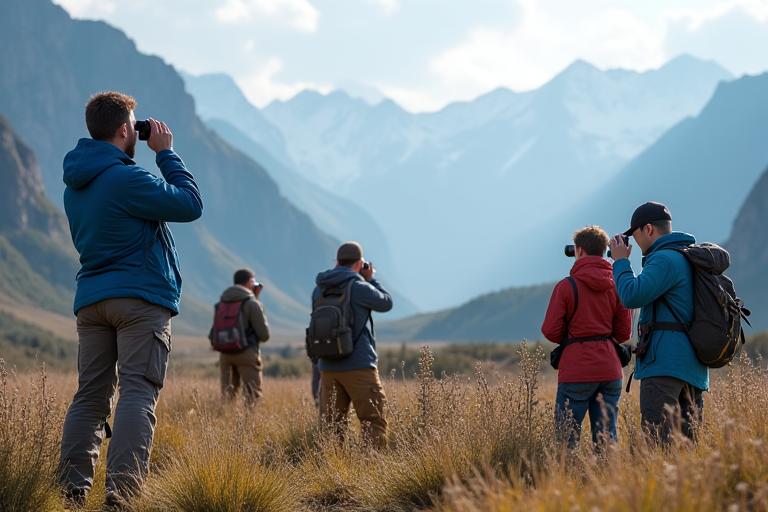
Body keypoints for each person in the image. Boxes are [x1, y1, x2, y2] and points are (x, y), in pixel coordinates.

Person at [58, 92, 203, 508]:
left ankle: (71, 492)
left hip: (92, 301)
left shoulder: (76, 186)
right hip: (139, 300)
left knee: (90, 397)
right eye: (135, 126)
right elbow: (190, 205)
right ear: (125, 130)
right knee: (137, 392)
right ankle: (121, 497)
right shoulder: (128, 179)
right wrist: (166, 154)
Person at [609, 201, 707, 445]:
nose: (636, 242)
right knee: (688, 448)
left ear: (649, 229)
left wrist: (620, 262)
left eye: (636, 234)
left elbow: (632, 295)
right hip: (692, 366)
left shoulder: (664, 259)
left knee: (657, 446)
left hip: (664, 365)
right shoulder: (686, 256)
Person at [542, 226, 632, 448]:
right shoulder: (617, 285)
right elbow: (623, 333)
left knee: (566, 442)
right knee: (606, 439)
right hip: (610, 370)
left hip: (576, 371)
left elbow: (550, 331)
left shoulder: (566, 287)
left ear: (579, 250)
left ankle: (566, 481)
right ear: (604, 251)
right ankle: (609, 480)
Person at [314, 241, 393, 448]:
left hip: (328, 366)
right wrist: (371, 279)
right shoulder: (359, 287)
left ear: (337, 261)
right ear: (359, 263)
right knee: (373, 421)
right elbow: (386, 303)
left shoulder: (319, 288)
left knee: (332, 427)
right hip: (359, 365)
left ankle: (333, 472)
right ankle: (371, 472)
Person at [218, 268, 270, 405]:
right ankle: (248, 425)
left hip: (225, 353)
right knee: (253, 395)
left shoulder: (222, 301)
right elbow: (264, 335)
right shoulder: (252, 303)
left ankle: (223, 422)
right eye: (253, 281)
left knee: (227, 396)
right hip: (246, 352)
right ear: (248, 282)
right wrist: (257, 300)